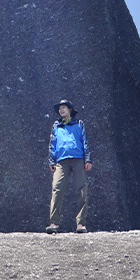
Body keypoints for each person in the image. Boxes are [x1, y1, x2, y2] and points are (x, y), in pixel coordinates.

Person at [46, 99, 92, 233]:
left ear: (70, 109)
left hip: (78, 159)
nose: (61, 110)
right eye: (60, 108)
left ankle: (81, 224)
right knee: (57, 188)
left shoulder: (79, 124)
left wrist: (88, 159)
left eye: (64, 107)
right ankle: (54, 223)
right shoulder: (56, 126)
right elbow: (52, 144)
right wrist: (51, 161)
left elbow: (85, 141)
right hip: (61, 161)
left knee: (81, 190)